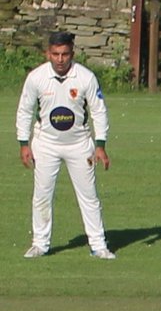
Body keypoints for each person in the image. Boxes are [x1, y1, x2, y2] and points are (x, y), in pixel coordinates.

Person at [16, 30, 115, 259]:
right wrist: (24, 144)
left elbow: (99, 112)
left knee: (89, 195)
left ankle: (98, 245)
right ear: (48, 53)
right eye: (56, 54)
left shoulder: (85, 77)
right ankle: (40, 244)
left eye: (65, 54)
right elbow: (25, 110)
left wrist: (100, 145)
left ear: (72, 53)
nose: (60, 60)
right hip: (45, 144)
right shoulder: (36, 77)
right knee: (42, 194)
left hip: (79, 144)